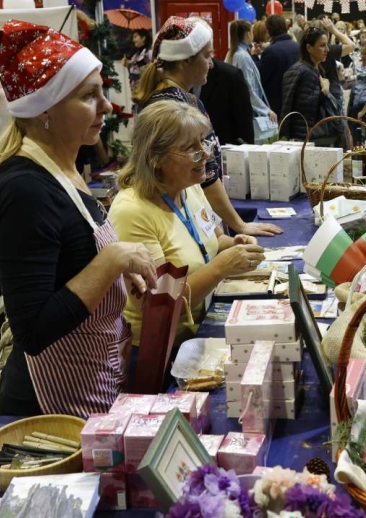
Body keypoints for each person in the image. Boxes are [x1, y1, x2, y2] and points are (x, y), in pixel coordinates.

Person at [0, 20, 158, 417]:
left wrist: (119, 274)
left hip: (95, 379)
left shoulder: (66, 170)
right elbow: (35, 331)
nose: (107, 106)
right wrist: (110, 261)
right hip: (51, 404)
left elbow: (68, 260)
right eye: (89, 96)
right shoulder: (23, 191)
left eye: (103, 92)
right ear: (44, 109)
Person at [110, 101, 265, 357]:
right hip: (160, 350)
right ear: (155, 158)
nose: (205, 154)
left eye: (202, 142)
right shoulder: (132, 212)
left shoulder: (188, 186)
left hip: (197, 332)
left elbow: (215, 241)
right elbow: (161, 303)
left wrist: (236, 244)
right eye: (190, 148)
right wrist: (222, 266)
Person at [135, 16, 280, 237]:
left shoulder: (181, 99)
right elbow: (206, 176)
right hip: (179, 221)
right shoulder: (176, 108)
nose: (211, 64)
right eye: (207, 56)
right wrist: (239, 225)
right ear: (185, 61)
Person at [280, 26, 344, 145]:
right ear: (309, 47)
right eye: (322, 45)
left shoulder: (307, 70)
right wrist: (326, 92)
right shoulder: (307, 73)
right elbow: (301, 110)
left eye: (327, 45)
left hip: (303, 138)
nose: (327, 50)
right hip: (307, 140)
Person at [228, 19, 276, 124]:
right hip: (247, 113)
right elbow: (249, 89)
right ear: (248, 34)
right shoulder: (243, 56)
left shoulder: (232, 53)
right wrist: (266, 110)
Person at [201, 58, 254, 146]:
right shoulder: (180, 80)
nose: (210, 64)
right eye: (205, 55)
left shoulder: (231, 75)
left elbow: (244, 122)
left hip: (226, 150)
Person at [259, 14, 297, 116]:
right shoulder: (297, 47)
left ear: (269, 30)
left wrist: (254, 57)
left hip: (276, 105)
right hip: (296, 101)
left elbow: (260, 78)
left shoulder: (271, 51)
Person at [348, 39, 366, 125]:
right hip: (355, 102)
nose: (362, 56)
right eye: (361, 53)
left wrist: (356, 77)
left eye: (365, 54)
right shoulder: (360, 65)